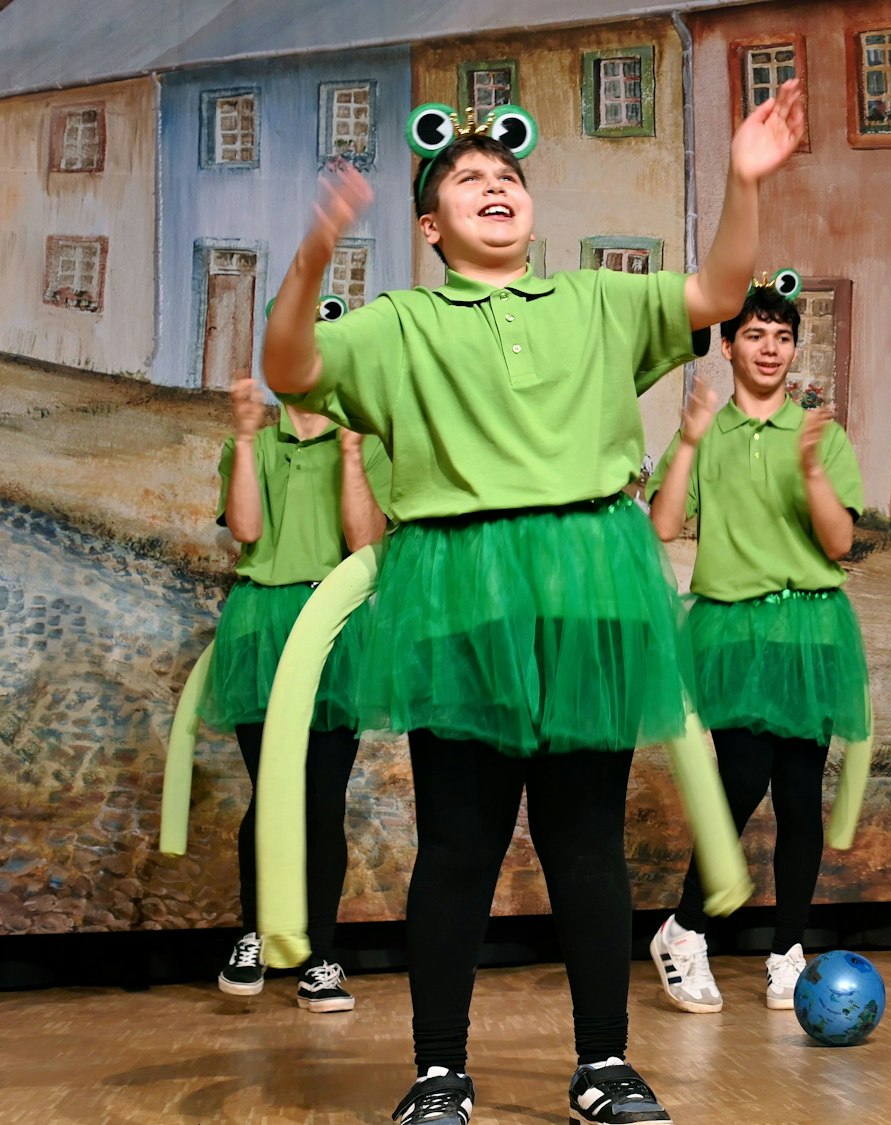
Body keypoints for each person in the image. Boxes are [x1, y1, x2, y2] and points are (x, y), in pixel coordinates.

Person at [260, 85, 806, 1125]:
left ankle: (603, 1063)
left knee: (585, 843)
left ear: (530, 208)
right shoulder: (398, 324)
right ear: (430, 226)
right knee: (460, 846)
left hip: (588, 586)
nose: (493, 187)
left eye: (506, 176)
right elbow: (289, 368)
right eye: (468, 180)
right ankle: (438, 1072)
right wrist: (315, 254)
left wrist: (742, 178)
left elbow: (718, 288)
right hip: (459, 591)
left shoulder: (598, 300)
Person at [644, 276, 870, 1015]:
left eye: (781, 335)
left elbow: (839, 545)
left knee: (801, 801)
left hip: (809, 626)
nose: (769, 347)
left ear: (793, 346)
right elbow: (664, 528)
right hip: (734, 629)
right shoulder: (709, 433)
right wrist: (687, 438)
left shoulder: (821, 434)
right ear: (730, 345)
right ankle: (685, 928)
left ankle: (787, 951)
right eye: (754, 333)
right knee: (739, 783)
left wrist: (808, 471)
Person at [204, 368, 388, 1015]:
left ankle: (320, 956)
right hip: (262, 627)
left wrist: (349, 450)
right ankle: (254, 933)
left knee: (320, 799)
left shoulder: (363, 443)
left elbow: (366, 543)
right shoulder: (249, 441)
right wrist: (248, 439)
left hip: (332, 631)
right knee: (272, 793)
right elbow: (247, 532)